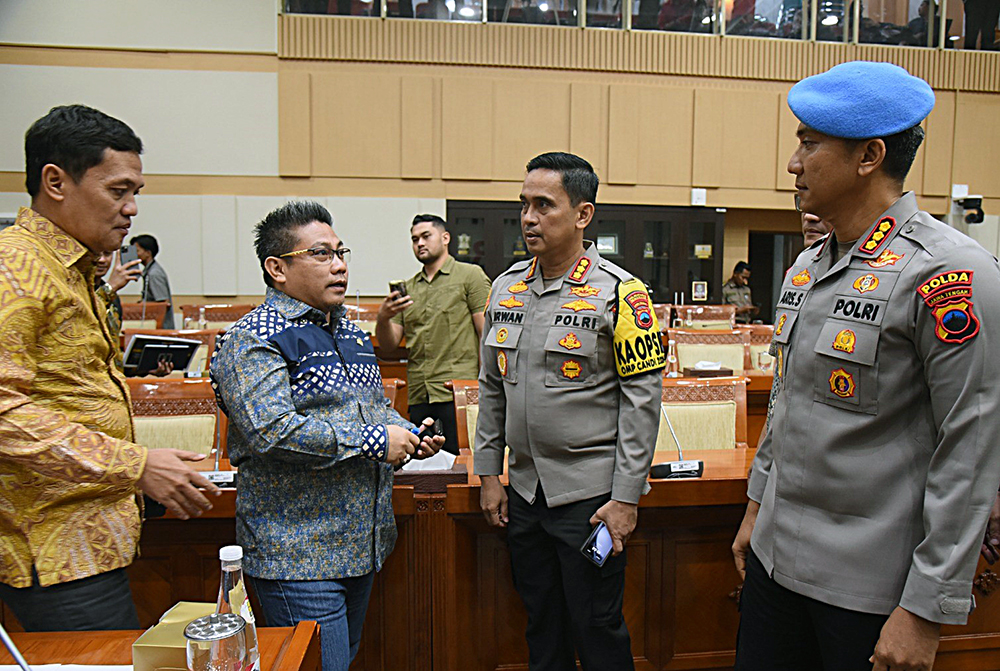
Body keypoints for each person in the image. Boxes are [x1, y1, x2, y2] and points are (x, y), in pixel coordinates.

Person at [731, 62, 1000, 671]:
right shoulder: (807, 268)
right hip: (777, 562)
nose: (794, 163)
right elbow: (784, 409)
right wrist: (755, 510)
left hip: (870, 589)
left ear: (869, 156)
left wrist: (926, 608)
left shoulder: (949, 274)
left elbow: (972, 449)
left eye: (809, 143)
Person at [0, 104, 220, 632]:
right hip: (55, 549)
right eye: (118, 191)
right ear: (55, 181)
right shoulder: (16, 267)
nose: (132, 209)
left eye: (135, 192)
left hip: (86, 539)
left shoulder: (71, 268)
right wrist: (135, 465)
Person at [210, 201, 444, 671]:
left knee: (341, 660)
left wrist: (407, 433)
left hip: (363, 543)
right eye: (320, 254)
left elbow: (370, 409)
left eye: (341, 252)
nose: (339, 265)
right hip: (297, 552)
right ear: (277, 268)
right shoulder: (253, 338)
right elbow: (271, 432)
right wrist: (376, 442)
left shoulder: (351, 333)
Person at [475, 152, 665, 670]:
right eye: (524, 205)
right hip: (525, 494)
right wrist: (489, 473)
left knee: (597, 628)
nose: (529, 218)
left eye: (544, 205)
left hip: (590, 499)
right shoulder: (505, 287)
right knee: (541, 625)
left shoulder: (623, 294)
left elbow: (642, 406)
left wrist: (626, 499)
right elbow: (492, 389)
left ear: (583, 214)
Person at [375, 214, 491, 455]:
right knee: (424, 469)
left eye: (426, 236)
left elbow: (486, 334)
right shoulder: (409, 288)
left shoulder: (470, 276)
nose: (420, 243)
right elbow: (388, 346)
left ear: (445, 237)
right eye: (414, 239)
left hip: (458, 392)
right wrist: (384, 317)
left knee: (463, 467)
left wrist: (483, 388)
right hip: (419, 393)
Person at [131, 233, 175, 328]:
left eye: (137, 251)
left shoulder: (154, 273)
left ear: (148, 253)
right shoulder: (149, 271)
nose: (134, 254)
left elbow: (164, 303)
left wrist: (143, 305)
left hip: (160, 328)